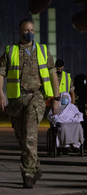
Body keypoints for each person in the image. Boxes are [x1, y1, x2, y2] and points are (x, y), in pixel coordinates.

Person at [0, 19, 60, 188]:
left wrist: (56, 98)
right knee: (22, 138)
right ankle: (36, 166)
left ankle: (28, 173)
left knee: (30, 137)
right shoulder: (10, 51)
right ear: (20, 31)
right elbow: (1, 72)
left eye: (32, 29)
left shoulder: (43, 50)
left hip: (37, 98)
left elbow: (53, 74)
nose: (29, 32)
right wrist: (0, 93)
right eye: (26, 30)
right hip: (17, 101)